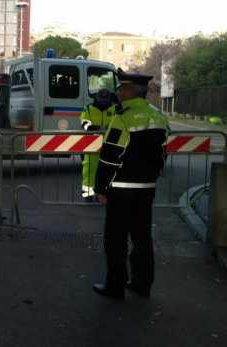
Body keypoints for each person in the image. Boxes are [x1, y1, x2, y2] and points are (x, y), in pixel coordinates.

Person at [92, 68, 169, 300]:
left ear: (128, 90)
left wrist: (100, 188)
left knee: (115, 240)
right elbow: (164, 152)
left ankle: (115, 287)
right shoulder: (158, 116)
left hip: (120, 191)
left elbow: (109, 157)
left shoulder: (122, 118)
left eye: (120, 88)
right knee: (142, 239)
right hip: (146, 190)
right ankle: (142, 284)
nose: (118, 93)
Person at [79, 89, 116, 200]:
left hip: (110, 143)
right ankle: (88, 193)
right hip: (92, 144)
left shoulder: (114, 109)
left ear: (109, 99)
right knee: (89, 169)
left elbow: (118, 122)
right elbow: (83, 119)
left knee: (108, 170)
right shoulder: (89, 108)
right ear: (97, 98)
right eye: (101, 99)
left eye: (106, 99)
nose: (103, 102)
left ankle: (103, 193)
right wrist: (88, 126)